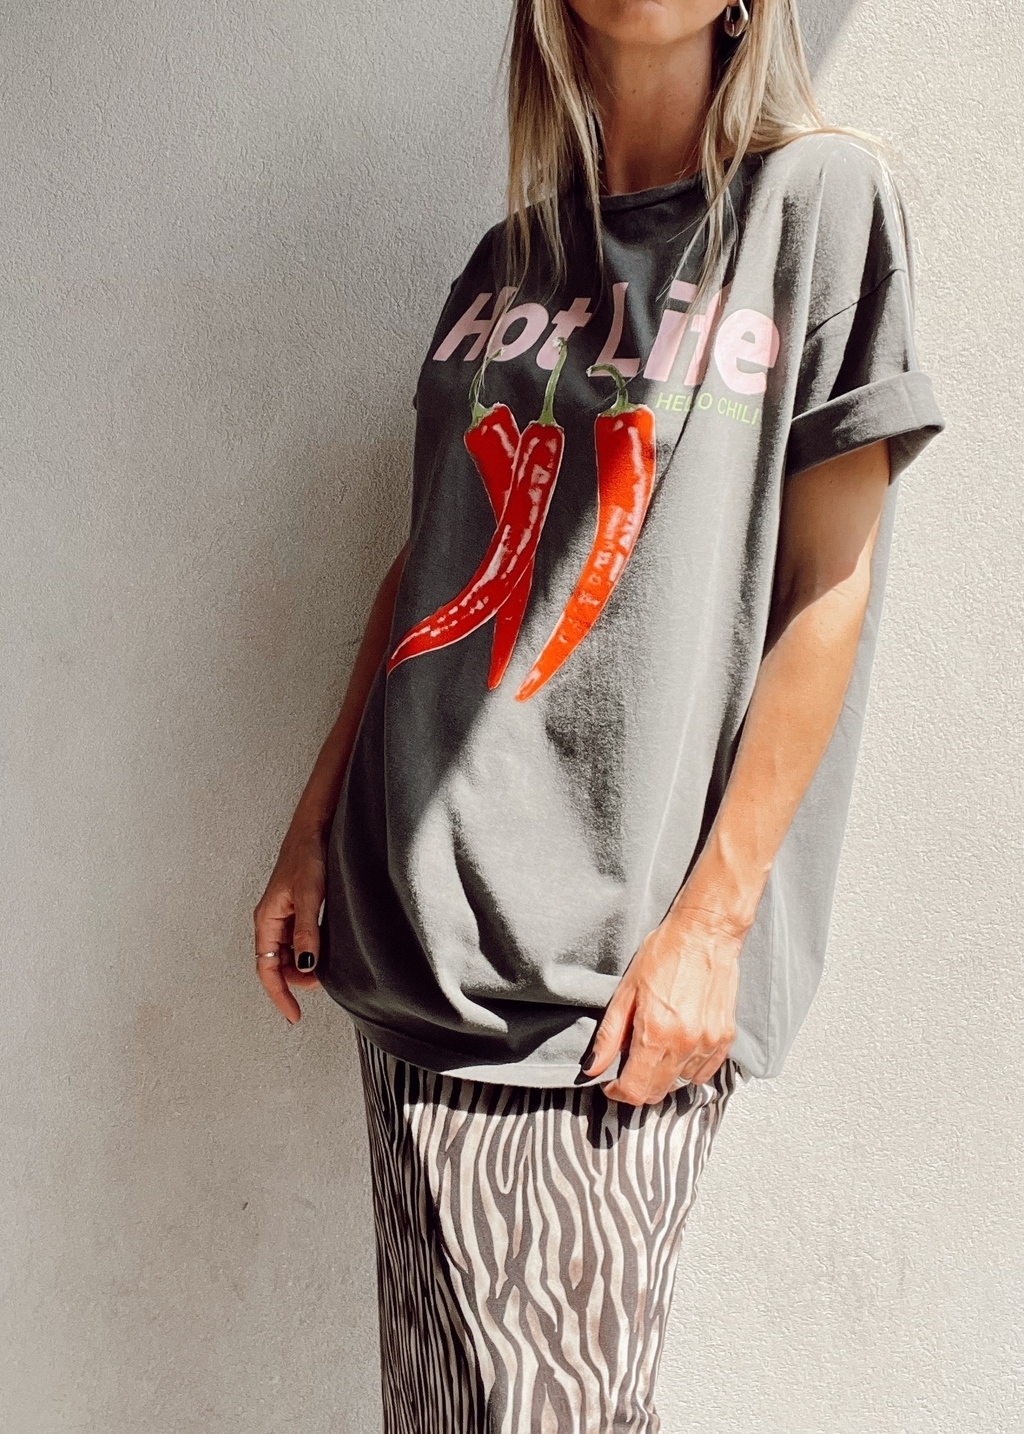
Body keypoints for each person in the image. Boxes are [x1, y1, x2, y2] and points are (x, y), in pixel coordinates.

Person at [254, 1, 945, 1429]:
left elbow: (827, 589)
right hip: (407, 947)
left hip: (602, 994)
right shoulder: (503, 263)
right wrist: (314, 827)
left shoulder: (819, 205)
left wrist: (715, 926)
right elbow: (431, 556)